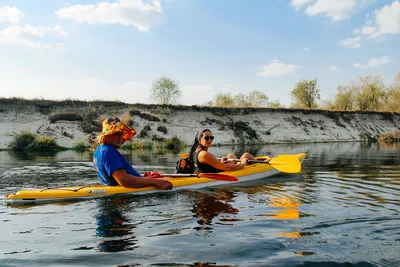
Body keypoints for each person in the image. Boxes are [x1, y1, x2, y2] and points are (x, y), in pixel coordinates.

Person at [93, 116, 173, 190]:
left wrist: (144, 177)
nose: (120, 137)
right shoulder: (109, 151)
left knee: (161, 174)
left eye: (121, 134)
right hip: (124, 195)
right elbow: (125, 181)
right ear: (106, 136)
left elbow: (115, 177)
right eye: (116, 133)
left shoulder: (99, 150)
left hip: (112, 188)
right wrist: (155, 182)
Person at [188, 128, 255, 173]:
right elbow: (225, 167)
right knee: (246, 155)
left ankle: (253, 164)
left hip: (217, 170)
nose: (210, 140)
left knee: (230, 155)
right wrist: (242, 164)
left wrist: (220, 162)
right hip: (221, 172)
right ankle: (260, 166)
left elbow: (207, 166)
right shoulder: (203, 154)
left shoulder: (196, 151)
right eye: (206, 138)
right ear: (199, 139)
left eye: (211, 138)